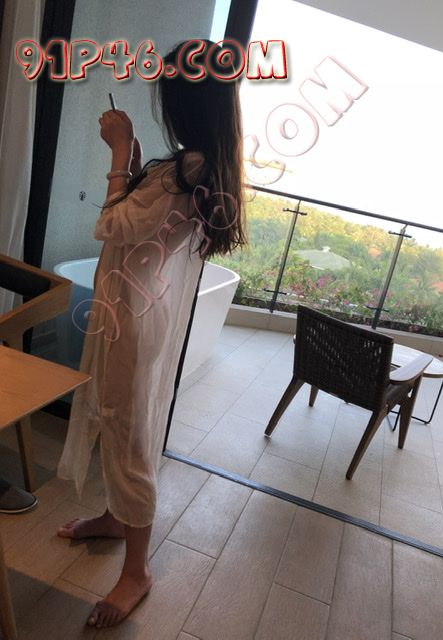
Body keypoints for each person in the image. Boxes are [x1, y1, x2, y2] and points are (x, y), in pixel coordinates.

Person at [56, 39, 246, 629]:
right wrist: (136, 159)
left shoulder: (190, 169)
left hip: (132, 316)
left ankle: (136, 571)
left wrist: (119, 152)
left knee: (129, 429)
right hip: (138, 307)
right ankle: (117, 517)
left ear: (188, 102)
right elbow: (143, 223)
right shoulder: (195, 166)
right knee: (121, 419)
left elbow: (112, 225)